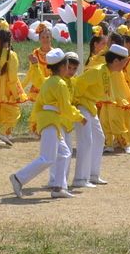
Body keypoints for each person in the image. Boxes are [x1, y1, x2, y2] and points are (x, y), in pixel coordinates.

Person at [10, 49, 79, 199]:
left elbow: (39, 103)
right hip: (51, 121)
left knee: (65, 153)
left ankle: (59, 187)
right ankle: (19, 178)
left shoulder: (49, 81)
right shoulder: (60, 83)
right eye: (67, 65)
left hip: (49, 120)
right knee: (47, 158)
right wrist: (79, 117)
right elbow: (65, 106)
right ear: (62, 66)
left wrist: (35, 120)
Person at [70, 39, 122, 189]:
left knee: (99, 138)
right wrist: (75, 104)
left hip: (90, 106)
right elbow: (78, 84)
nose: (125, 65)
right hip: (82, 105)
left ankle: (93, 175)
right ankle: (80, 179)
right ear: (116, 61)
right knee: (86, 141)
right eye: (124, 61)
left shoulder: (106, 71)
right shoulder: (97, 71)